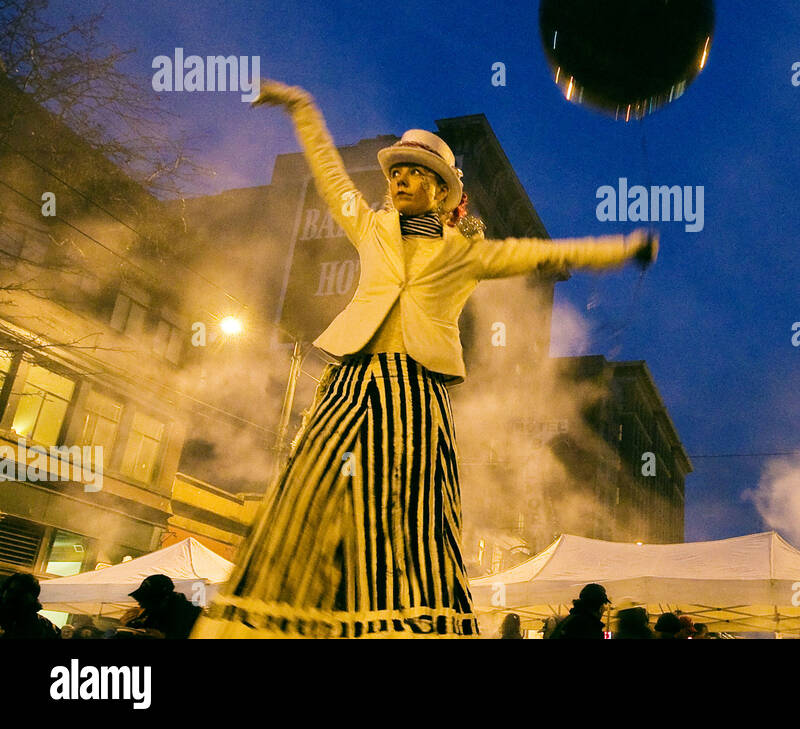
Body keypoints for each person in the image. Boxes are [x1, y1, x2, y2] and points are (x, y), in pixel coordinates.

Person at [193, 82, 657, 640]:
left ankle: (402, 627)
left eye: (415, 173)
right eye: (395, 173)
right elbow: (328, 173)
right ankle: (273, 624)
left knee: (411, 509)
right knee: (312, 487)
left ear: (441, 191)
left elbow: (550, 253)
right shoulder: (371, 228)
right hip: (352, 380)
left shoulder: (465, 253)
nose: (400, 180)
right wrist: (302, 106)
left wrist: (624, 248)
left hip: (415, 391)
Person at [115, 574, 202, 639]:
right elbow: (142, 630)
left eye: (146, 600)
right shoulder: (154, 610)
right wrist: (127, 624)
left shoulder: (190, 613)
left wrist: (165, 637)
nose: (140, 604)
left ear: (163, 598)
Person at [0, 573, 59, 639]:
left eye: (20, 592)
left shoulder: (44, 627)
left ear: (32, 597)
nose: (12, 596)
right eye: (10, 590)